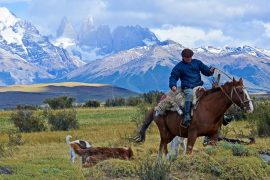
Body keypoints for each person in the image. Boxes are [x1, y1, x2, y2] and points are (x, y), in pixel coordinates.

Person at [169, 48, 215, 128]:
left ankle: (220, 116)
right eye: (187, 57)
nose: (189, 59)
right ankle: (186, 115)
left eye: (190, 57)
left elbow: (206, 71)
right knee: (190, 94)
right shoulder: (179, 67)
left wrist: (210, 71)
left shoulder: (197, 63)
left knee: (211, 95)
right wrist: (173, 85)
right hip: (187, 87)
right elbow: (173, 76)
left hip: (198, 85)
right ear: (183, 57)